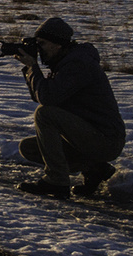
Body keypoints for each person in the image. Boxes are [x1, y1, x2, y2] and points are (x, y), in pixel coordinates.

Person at [13, 16, 126, 200]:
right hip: (89, 136)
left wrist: (33, 67)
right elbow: (41, 96)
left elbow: (48, 99)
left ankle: (56, 181)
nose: (38, 49)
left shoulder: (78, 64)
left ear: (57, 44)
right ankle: (95, 168)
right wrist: (30, 69)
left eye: (42, 43)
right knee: (29, 148)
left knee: (44, 114)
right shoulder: (63, 62)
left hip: (106, 140)